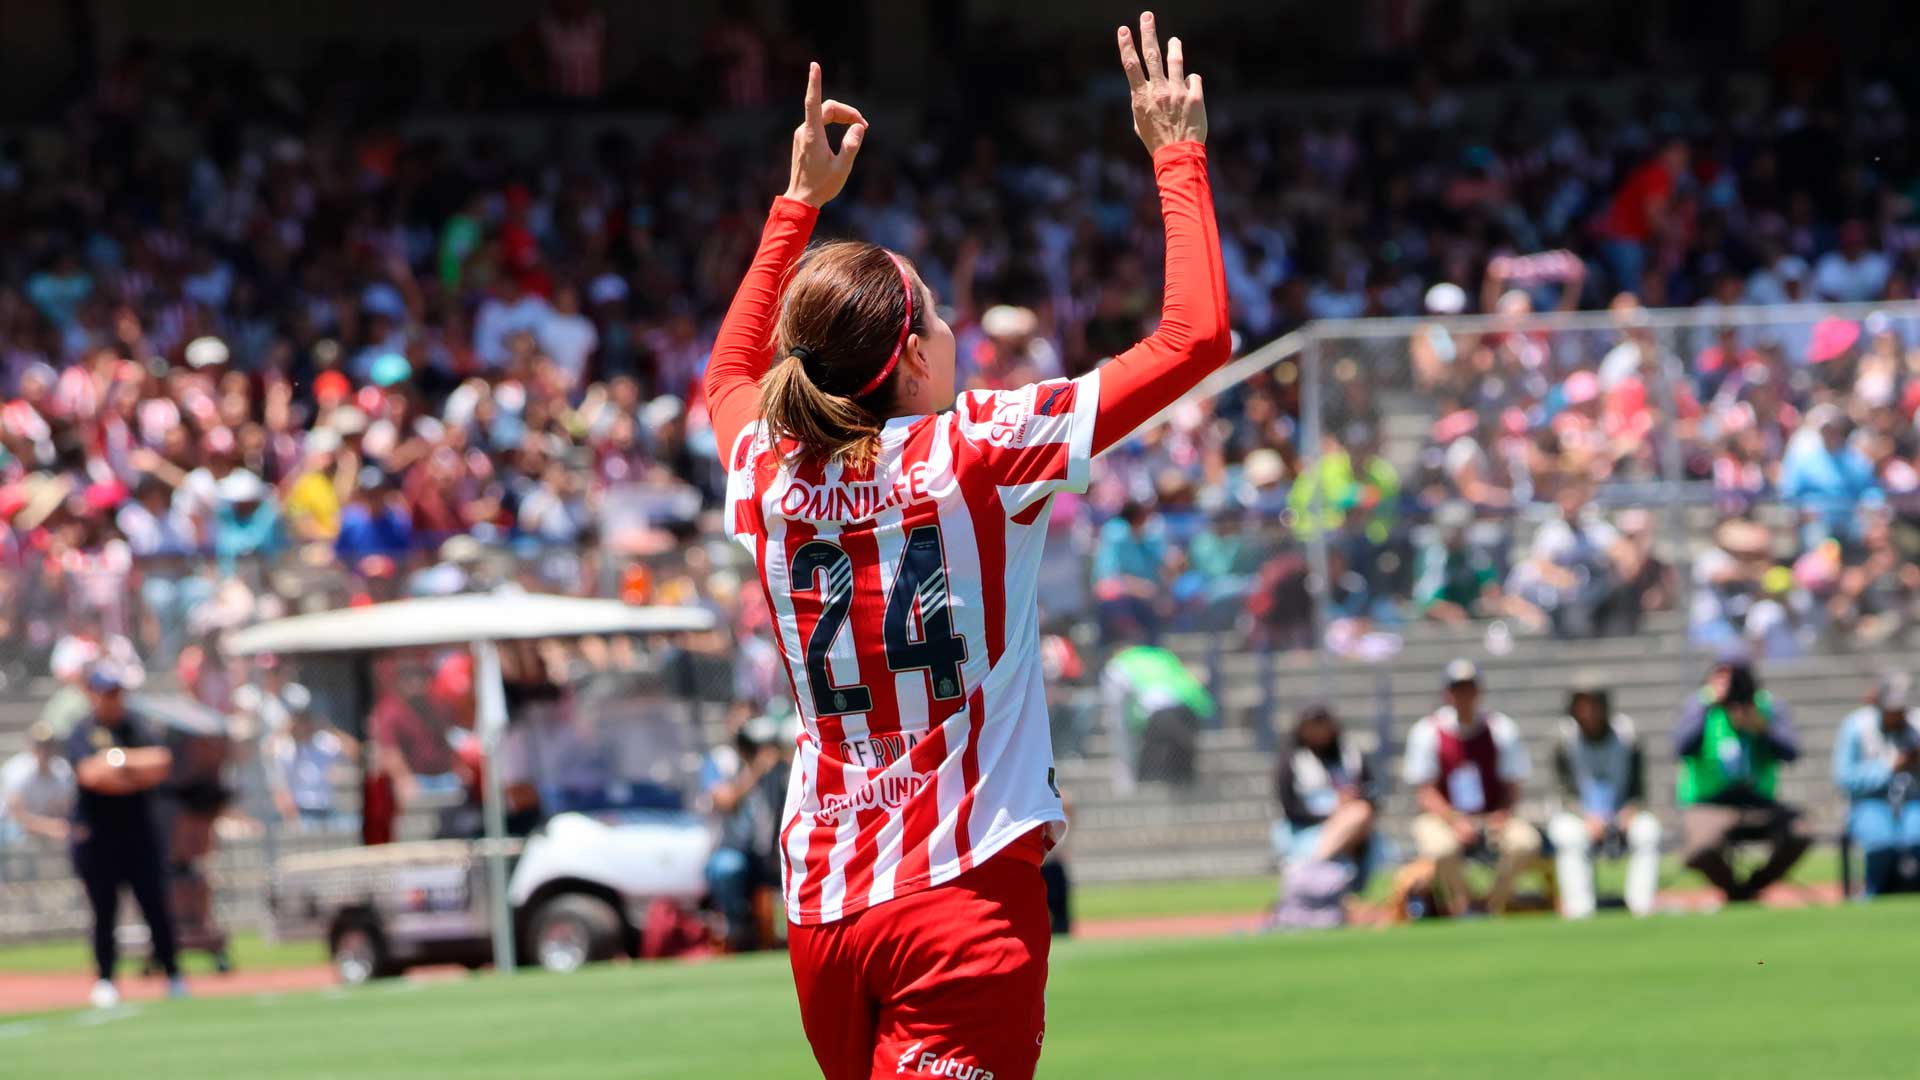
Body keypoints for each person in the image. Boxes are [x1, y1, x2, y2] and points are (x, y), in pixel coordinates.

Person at [701, 20, 1225, 1079]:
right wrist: (1178, 154)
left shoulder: (763, 468)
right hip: (959, 896)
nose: (956, 333)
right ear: (906, 363)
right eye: (936, 316)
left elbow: (726, 372)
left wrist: (795, 205)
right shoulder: (978, 450)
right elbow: (1195, 338)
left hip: (826, 913)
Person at [64, 667, 186, 1007]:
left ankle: (174, 974)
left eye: (116, 691)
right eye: (106, 692)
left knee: (155, 906)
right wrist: (132, 772)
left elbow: (160, 762)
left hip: (139, 833)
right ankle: (106, 979)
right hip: (99, 837)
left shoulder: (136, 726)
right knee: (105, 911)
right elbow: (91, 774)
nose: (112, 698)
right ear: (91, 693)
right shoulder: (82, 731)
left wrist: (117, 763)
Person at [1402, 660, 1544, 916]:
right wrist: (1454, 820)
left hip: (1491, 815)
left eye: (1469, 689)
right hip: (1443, 817)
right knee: (1440, 849)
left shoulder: (1501, 728)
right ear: (1447, 693)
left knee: (1525, 842)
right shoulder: (1427, 731)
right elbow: (1425, 791)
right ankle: (1463, 904)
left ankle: (1493, 903)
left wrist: (1502, 814)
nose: (1464, 696)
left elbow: (1513, 783)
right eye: (1458, 689)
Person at [1675, 660, 1811, 902]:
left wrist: (1762, 729)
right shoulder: (1700, 705)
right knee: (1698, 850)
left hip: (1757, 802)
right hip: (1710, 803)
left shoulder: (1767, 707)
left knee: (1801, 832)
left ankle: (1754, 886)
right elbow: (1681, 748)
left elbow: (1791, 753)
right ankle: (1737, 892)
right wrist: (1708, 709)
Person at [1546, 680, 1661, 918]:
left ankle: (1641, 907)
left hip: (1621, 813)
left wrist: (1629, 811)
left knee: (1648, 830)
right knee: (1569, 835)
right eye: (1581, 706)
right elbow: (1562, 791)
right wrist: (1586, 818)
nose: (1587, 712)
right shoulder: (1564, 739)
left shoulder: (1628, 736)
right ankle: (1580, 910)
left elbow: (1639, 790)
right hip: (1580, 816)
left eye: (1593, 705)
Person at [700, 707, 792, 952]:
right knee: (729, 868)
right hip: (732, 848)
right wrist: (755, 771)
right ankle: (736, 931)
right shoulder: (719, 760)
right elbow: (726, 802)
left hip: (768, 849)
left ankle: (785, 934)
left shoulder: (775, 759)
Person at [1832, 673, 1920, 896]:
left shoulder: (1916, 725)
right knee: (1881, 840)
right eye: (1891, 710)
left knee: (1916, 835)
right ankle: (1874, 891)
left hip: (1914, 800)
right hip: (1869, 801)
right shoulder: (1856, 726)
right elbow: (1843, 777)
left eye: (1900, 710)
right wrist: (1889, 768)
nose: (1896, 715)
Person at [1274, 703, 1377, 868]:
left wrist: (1353, 797)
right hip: (1305, 829)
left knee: (1360, 812)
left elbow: (1372, 791)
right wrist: (1331, 813)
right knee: (1358, 814)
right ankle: (1315, 865)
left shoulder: (1350, 755)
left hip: (1352, 826)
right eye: (1313, 725)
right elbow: (1290, 807)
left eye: (1322, 724)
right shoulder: (1293, 758)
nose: (1318, 731)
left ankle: (1319, 869)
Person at [2, 722, 76, 853]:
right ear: (32, 747)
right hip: (11, 826)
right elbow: (17, 815)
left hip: (43, 823)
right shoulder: (17, 771)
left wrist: (58, 826)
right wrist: (49, 827)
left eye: (48, 745)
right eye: (40, 746)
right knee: (16, 837)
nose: (45, 751)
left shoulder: (62, 770)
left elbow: (63, 808)